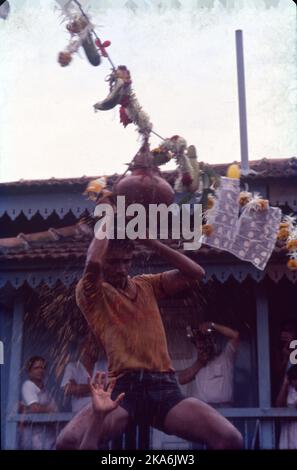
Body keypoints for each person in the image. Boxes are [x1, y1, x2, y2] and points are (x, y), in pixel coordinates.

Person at [56, 200, 242, 450]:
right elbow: (93, 263)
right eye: (114, 262)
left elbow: (195, 273)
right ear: (105, 262)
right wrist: (107, 217)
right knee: (67, 443)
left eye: (126, 261)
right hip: (123, 389)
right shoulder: (91, 292)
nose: (121, 269)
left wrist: (151, 242)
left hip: (163, 387)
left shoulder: (146, 284)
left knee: (230, 439)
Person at [178, 322, 240, 406]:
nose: (203, 349)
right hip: (201, 408)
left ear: (213, 344)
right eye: (199, 347)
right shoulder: (198, 364)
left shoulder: (225, 358)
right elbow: (181, 379)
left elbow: (235, 336)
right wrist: (200, 363)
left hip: (223, 408)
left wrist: (212, 325)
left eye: (205, 345)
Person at [61, 333, 107, 414]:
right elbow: (68, 389)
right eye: (91, 343)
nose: (95, 346)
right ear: (82, 347)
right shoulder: (73, 367)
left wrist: (80, 389)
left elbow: (109, 388)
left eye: (96, 344)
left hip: (102, 411)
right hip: (80, 414)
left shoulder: (104, 365)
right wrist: (95, 387)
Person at [20, 356, 58, 450]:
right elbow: (35, 408)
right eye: (36, 368)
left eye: (42, 368)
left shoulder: (46, 391)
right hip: (33, 439)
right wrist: (48, 409)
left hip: (48, 438)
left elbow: (56, 410)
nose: (40, 370)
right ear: (29, 372)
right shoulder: (28, 385)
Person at [276, 364, 297, 449]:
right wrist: (285, 384)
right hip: (288, 429)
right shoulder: (290, 388)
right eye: (293, 380)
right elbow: (279, 405)